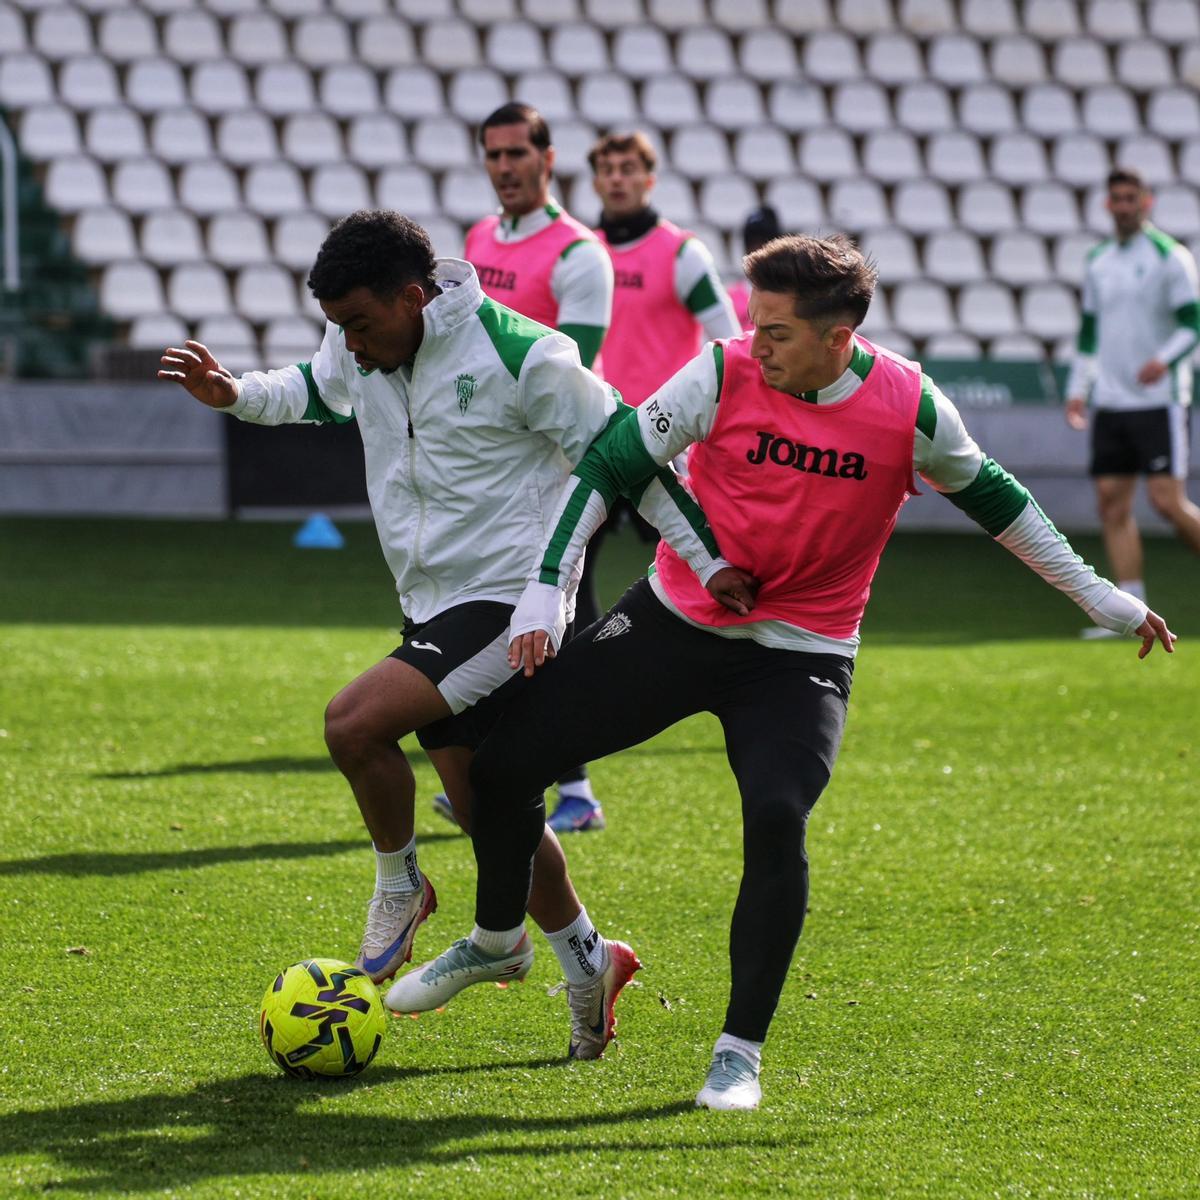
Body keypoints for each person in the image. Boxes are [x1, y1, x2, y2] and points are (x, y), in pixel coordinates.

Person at [389, 234, 1175, 1111]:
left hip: (800, 656)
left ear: (840, 339)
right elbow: (612, 461)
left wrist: (1102, 598)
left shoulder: (909, 405)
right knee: (500, 767)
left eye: (778, 332)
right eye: (755, 323)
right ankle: (500, 937)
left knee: (775, 817)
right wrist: (548, 586)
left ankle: (736, 1054)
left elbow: (1002, 504)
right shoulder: (720, 372)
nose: (754, 344)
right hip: (676, 620)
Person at [156, 211, 730, 1055]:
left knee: (353, 722)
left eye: (359, 324)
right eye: (336, 326)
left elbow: (625, 448)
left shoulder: (521, 354)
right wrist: (235, 394)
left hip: (513, 602)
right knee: (486, 807)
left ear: (414, 296)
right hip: (431, 605)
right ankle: (589, 960)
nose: (348, 345)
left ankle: (402, 886)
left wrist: (707, 560)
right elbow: (318, 391)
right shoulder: (365, 344)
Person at [457, 101, 615, 832]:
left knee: (559, 617)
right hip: (498, 464)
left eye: (517, 153)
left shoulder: (580, 255)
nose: (505, 167)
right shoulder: (479, 237)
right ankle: (510, 767)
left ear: (548, 160)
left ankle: (573, 786)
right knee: (507, 610)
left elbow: (570, 370)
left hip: (562, 463)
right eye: (493, 155)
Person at [1065, 167, 1200, 637]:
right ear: (1108, 205)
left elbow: (1193, 323)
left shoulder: (1170, 257)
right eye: (1116, 199)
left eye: (1130, 199)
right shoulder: (1099, 260)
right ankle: (1132, 608)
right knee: (1111, 504)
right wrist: (1077, 390)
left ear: (1146, 203)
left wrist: (1162, 361)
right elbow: (1088, 333)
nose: (1123, 206)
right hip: (1112, 401)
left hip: (1158, 400)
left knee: (1167, 502)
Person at [727, 207, 784, 333]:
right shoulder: (729, 298)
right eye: (751, 242)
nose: (757, 249)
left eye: (764, 242)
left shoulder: (791, 296)